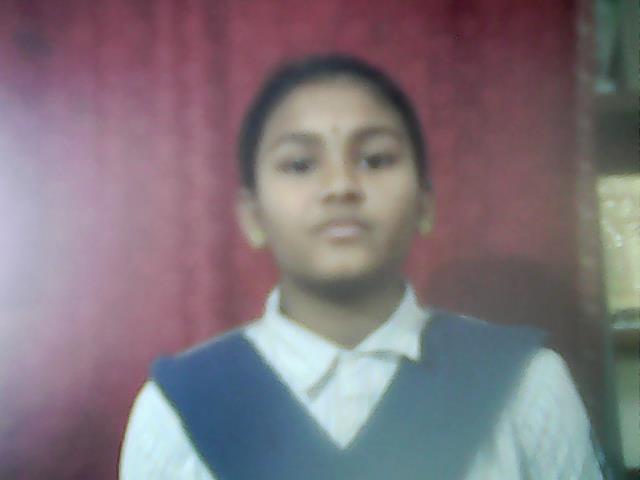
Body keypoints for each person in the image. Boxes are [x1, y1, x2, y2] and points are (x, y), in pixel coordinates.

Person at [119, 54, 606, 479]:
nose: (341, 186)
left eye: (375, 159)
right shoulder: (179, 408)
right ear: (252, 216)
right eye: (300, 165)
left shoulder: (526, 384)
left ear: (425, 204)